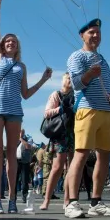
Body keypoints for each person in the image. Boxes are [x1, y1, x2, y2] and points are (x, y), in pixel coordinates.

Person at [0, 0, 52, 214]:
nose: (10, 43)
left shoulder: (21, 67)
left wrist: (43, 80)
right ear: (2, 45)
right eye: (7, 41)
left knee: (11, 155)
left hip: (15, 111)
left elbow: (25, 94)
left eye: (13, 41)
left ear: (17, 46)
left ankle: (13, 198)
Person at [64, 18, 110, 218]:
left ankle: (96, 202)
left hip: (106, 111)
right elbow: (77, 85)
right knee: (81, 154)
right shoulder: (76, 57)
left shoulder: (103, 59)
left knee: (105, 156)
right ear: (82, 35)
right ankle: (71, 202)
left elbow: (109, 85)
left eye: (98, 32)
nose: (95, 36)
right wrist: (89, 74)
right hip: (87, 110)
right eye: (91, 33)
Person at [40, 73, 75, 210]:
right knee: (57, 167)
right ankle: (47, 199)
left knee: (72, 168)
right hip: (60, 134)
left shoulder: (76, 95)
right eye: (68, 78)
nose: (70, 80)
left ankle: (67, 200)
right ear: (63, 81)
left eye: (73, 78)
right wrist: (60, 109)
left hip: (73, 133)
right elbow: (46, 113)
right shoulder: (57, 94)